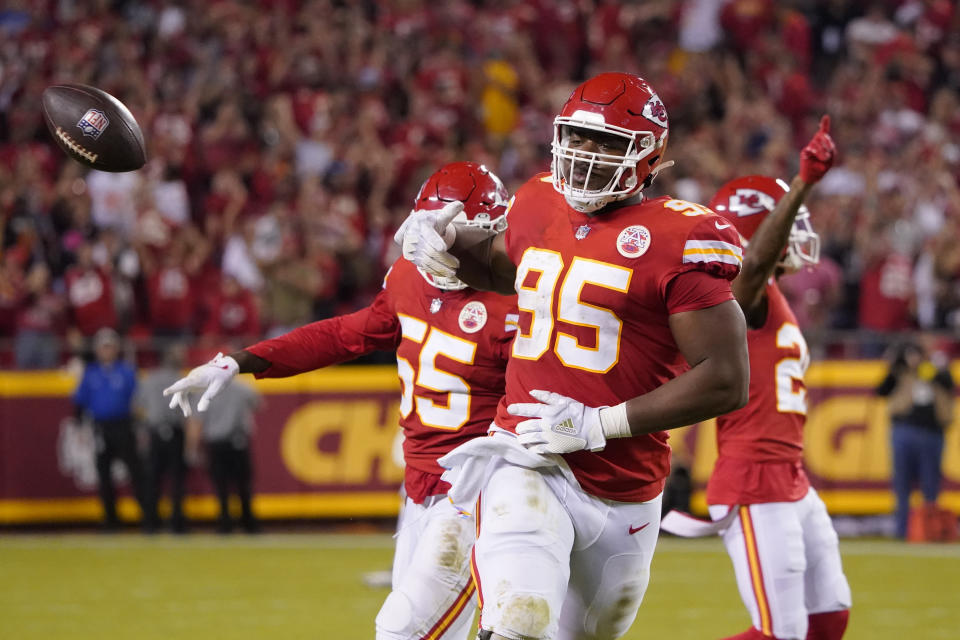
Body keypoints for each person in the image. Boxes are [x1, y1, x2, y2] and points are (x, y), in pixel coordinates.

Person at [395, 72, 750, 640]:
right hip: (527, 452)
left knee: (584, 633)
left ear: (647, 154)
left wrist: (600, 423)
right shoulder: (539, 201)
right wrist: (436, 239)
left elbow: (727, 379)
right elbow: (500, 266)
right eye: (577, 138)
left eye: (606, 143)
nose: (585, 155)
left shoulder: (680, 236)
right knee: (518, 618)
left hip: (625, 484)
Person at [163, 162, 517, 640]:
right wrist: (240, 362)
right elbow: (341, 335)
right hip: (420, 491)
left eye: (454, 233)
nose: (441, 243)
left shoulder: (524, 301)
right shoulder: (408, 279)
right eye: (434, 229)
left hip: (479, 489)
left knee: (401, 631)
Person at [671, 117, 851, 640]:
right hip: (753, 478)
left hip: (790, 474)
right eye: (787, 224)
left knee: (829, 616)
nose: (799, 234)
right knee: (780, 633)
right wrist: (801, 185)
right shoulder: (737, 293)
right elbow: (749, 268)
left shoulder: (771, 295)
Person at [876, 339, 954, 540]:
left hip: (932, 432)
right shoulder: (901, 371)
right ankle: (902, 531)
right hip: (904, 430)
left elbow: (949, 384)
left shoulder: (936, 369)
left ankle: (930, 531)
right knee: (902, 485)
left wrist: (931, 367)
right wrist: (894, 366)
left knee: (931, 485)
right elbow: (881, 390)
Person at [72, 327, 148, 530]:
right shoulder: (91, 372)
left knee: (136, 472)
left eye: (110, 347)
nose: (107, 351)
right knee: (104, 475)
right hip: (101, 427)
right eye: (103, 347)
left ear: (116, 349)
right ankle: (111, 519)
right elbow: (80, 402)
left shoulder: (126, 370)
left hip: (124, 425)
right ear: (97, 350)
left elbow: (139, 400)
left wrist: (140, 425)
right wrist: (80, 428)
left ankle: (148, 517)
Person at [135, 343, 196, 533]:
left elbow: (138, 408)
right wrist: (190, 445)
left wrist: (144, 429)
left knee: (153, 479)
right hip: (174, 432)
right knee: (176, 481)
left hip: (155, 432)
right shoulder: (182, 379)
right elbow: (190, 416)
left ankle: (151, 522)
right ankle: (176, 523)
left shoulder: (149, 379)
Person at [198, 376, 261, 534]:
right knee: (243, 486)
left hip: (216, 443)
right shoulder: (243, 387)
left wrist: (193, 447)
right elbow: (258, 404)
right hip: (238, 442)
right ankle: (249, 524)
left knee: (221, 487)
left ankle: (225, 525)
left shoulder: (206, 391)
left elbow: (197, 420)